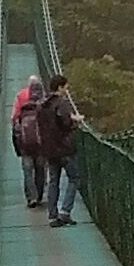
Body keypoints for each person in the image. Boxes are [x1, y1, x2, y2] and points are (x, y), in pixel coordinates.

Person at [34, 71, 83, 226]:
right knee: (74, 179)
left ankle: (52, 215)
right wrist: (76, 121)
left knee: (53, 181)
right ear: (60, 87)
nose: (66, 91)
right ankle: (65, 212)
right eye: (66, 88)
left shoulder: (42, 105)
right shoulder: (61, 103)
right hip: (65, 149)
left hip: (49, 150)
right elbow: (65, 123)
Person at [11, 75, 48, 208]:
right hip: (41, 144)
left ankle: (31, 197)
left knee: (27, 170)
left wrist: (17, 145)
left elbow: (14, 118)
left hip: (25, 144)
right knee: (41, 169)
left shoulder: (21, 97)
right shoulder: (45, 103)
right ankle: (39, 195)